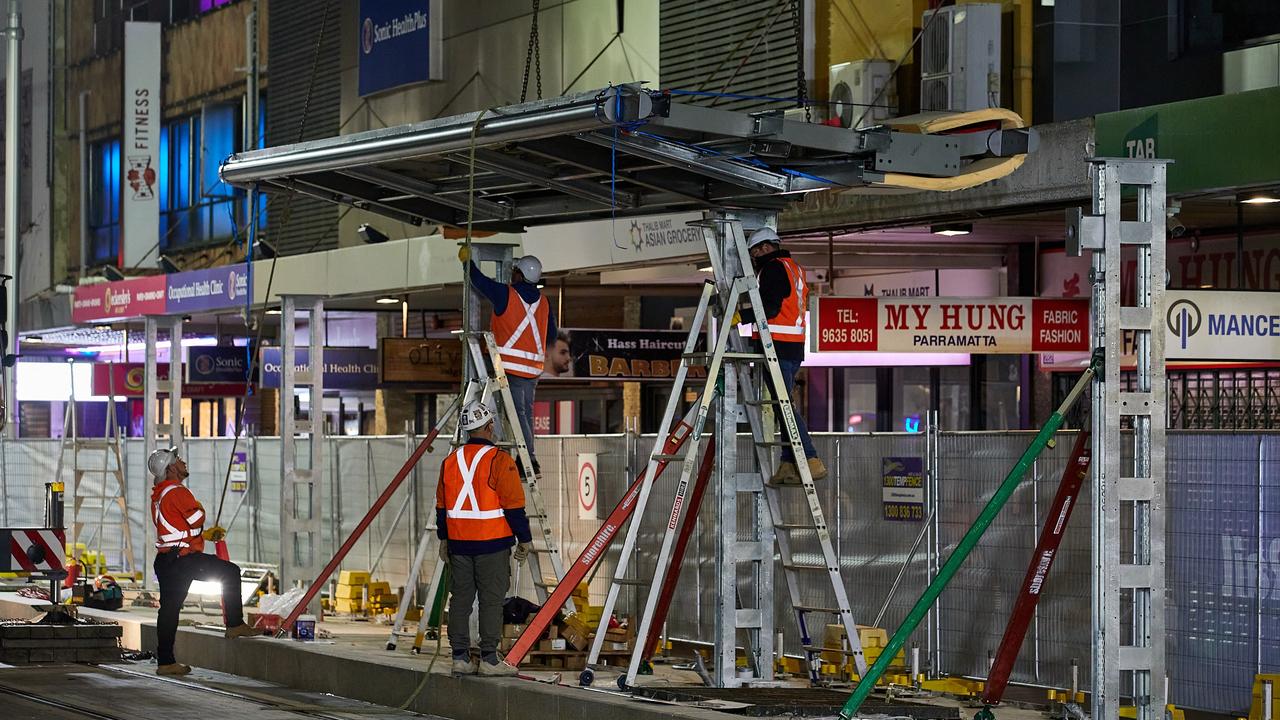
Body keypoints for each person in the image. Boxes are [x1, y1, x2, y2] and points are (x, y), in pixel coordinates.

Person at [437, 400, 535, 676]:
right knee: (491, 601)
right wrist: (524, 539)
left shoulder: (450, 462)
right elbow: (514, 505)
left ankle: (459, 657)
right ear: (490, 426)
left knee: (460, 600)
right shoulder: (499, 460)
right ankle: (490, 660)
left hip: (458, 544)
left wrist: (444, 538)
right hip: (492, 544)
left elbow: (441, 506)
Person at [149, 447, 264, 676]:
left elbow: (178, 529)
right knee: (230, 573)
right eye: (178, 460)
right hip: (183, 560)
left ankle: (165, 662)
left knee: (169, 611)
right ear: (171, 468)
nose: (183, 462)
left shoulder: (160, 493)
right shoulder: (177, 491)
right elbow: (195, 518)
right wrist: (199, 509)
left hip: (167, 560)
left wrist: (204, 536)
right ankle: (234, 624)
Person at [737, 227, 829, 486]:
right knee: (783, 405)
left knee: (784, 406)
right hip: (792, 346)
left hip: (775, 346)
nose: (754, 259)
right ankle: (788, 464)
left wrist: (740, 317)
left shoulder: (774, 269)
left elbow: (769, 307)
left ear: (765, 248)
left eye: (755, 253)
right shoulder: (793, 268)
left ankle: (811, 458)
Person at [460, 249, 554, 474]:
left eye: (514, 271)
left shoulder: (507, 294)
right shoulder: (544, 302)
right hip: (533, 370)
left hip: (509, 366)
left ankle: (527, 460)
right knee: (524, 413)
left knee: (516, 413)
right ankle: (527, 459)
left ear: (519, 274)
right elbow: (551, 335)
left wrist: (467, 263)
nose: (512, 274)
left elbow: (478, 281)